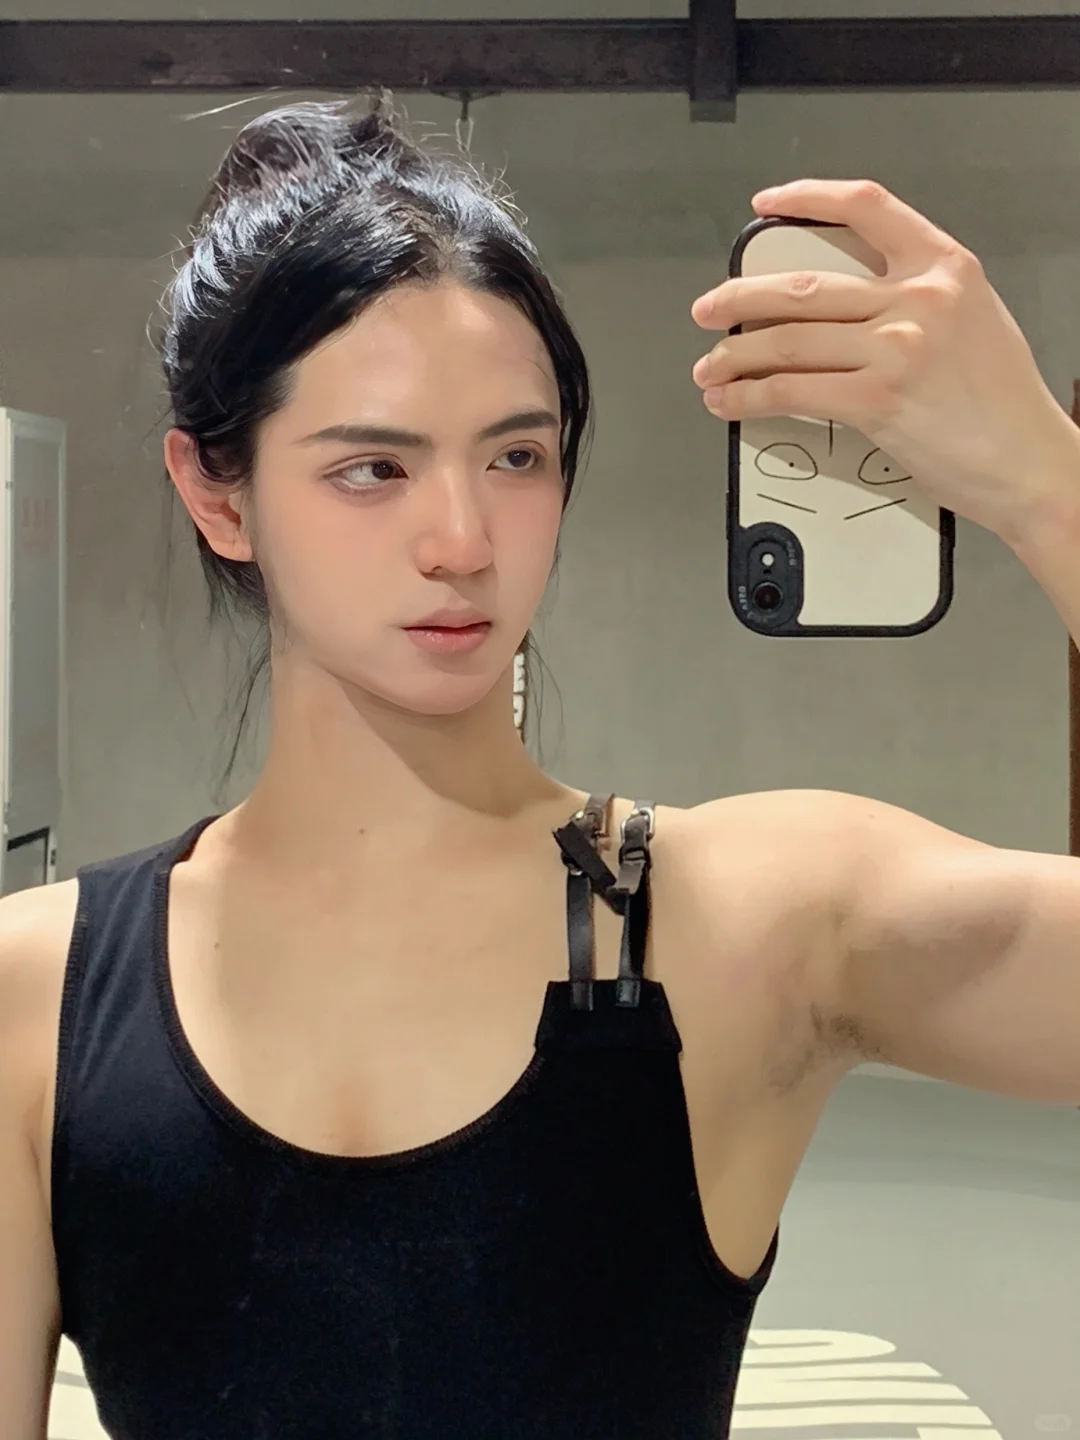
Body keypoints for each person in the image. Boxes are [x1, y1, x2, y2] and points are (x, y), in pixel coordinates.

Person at [1, 96, 1078, 1440]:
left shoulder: (751, 921)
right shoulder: (35, 998)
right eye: (373, 469)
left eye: (516, 456)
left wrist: (1046, 479)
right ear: (219, 495)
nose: (463, 540)